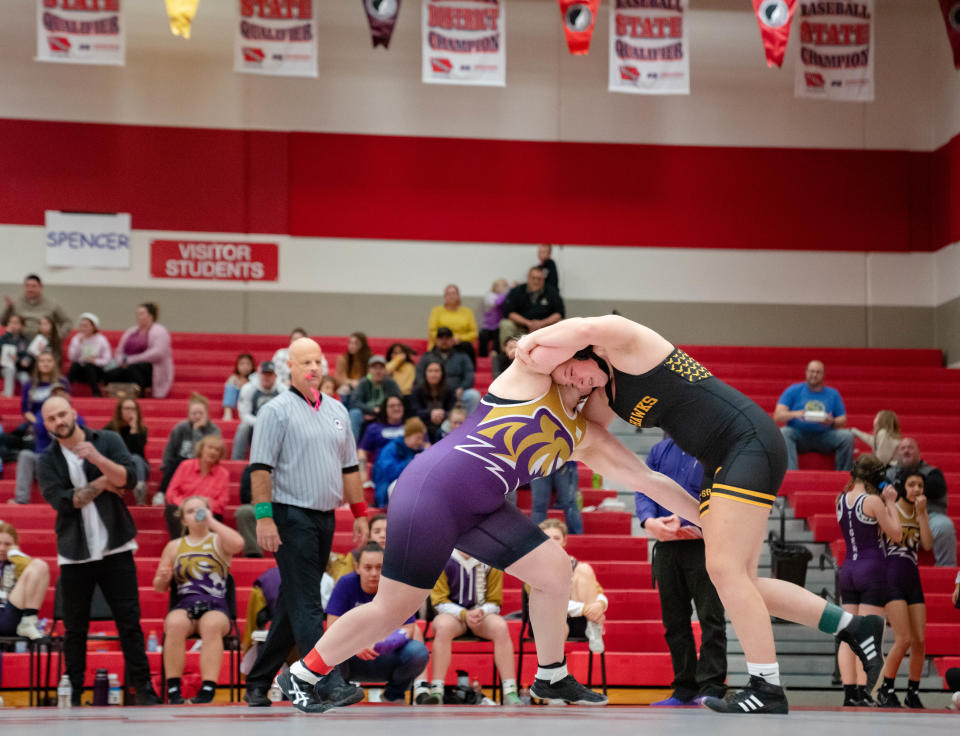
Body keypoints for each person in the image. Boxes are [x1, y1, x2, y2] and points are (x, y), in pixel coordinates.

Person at [272, 322, 698, 714]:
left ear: (610, 385)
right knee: (391, 608)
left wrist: (709, 522)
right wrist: (595, 337)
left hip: (481, 505)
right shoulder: (530, 378)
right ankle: (303, 674)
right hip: (431, 492)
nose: (580, 369)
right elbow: (536, 346)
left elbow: (650, 480)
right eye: (578, 358)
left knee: (553, 570)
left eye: (595, 366)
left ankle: (551, 674)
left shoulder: (585, 437)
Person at [514, 315, 887, 714]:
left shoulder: (625, 343)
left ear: (577, 350)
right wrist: (554, 398)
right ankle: (854, 627)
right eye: (570, 384)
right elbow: (592, 437)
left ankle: (767, 687)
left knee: (724, 572)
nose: (580, 384)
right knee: (739, 582)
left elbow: (586, 329)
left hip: (748, 442)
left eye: (574, 371)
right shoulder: (604, 392)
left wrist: (526, 348)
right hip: (722, 460)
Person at [243, 337, 369, 707]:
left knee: (294, 601)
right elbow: (260, 468)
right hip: (288, 514)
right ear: (290, 368)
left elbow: (349, 467)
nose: (313, 368)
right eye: (305, 363)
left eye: (317, 361)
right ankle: (323, 681)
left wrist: (360, 513)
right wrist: (264, 519)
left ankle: (259, 679)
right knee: (309, 601)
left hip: (325, 516)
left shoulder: (337, 410)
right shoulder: (275, 411)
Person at [36, 395, 161, 705]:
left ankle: (143, 689)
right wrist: (105, 483)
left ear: (74, 413)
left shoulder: (107, 439)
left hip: (116, 545)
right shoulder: (46, 460)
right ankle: (75, 692)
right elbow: (63, 503)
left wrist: (98, 461)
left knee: (129, 621)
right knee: (75, 628)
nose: (58, 422)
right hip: (73, 551)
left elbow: (129, 478)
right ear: (46, 424)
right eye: (51, 418)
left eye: (62, 414)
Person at [635, 437, 727, 706]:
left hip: (704, 545)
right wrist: (649, 520)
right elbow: (643, 489)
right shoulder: (659, 451)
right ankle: (683, 686)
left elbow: (721, 494)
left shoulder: (714, 450)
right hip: (667, 547)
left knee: (711, 618)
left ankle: (711, 685)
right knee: (674, 621)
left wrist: (685, 518)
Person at [153, 495, 245, 704]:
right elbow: (159, 586)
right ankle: (174, 688)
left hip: (216, 604)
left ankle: (208, 687)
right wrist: (163, 578)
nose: (196, 514)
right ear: (183, 520)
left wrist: (211, 522)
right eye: (190, 511)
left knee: (211, 625)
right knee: (174, 624)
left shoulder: (218, 540)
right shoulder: (174, 546)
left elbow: (238, 544)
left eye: (201, 509)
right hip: (185, 603)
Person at [835, 455, 902, 707]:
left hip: (848, 570)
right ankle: (864, 691)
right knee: (869, 635)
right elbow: (895, 534)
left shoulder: (840, 500)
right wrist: (891, 504)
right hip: (872, 569)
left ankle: (849, 692)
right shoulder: (873, 501)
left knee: (848, 634)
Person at [327, 542, 430, 704]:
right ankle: (341, 691)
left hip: (386, 656)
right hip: (351, 659)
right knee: (326, 645)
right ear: (357, 567)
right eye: (368, 568)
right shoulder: (345, 584)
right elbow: (332, 626)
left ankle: (394, 695)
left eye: (379, 567)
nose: (374, 573)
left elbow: (409, 628)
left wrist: (383, 643)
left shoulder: (397, 588)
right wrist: (355, 645)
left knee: (418, 652)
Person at [429, 550, 520, 705]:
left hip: (480, 615)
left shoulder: (491, 559)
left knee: (500, 627)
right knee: (443, 627)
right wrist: (464, 614)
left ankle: (510, 691)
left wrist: (482, 611)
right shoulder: (442, 558)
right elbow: (438, 601)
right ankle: (436, 690)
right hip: (452, 615)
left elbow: (495, 600)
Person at [875, 471, 934, 709]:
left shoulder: (920, 512)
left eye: (920, 485)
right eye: (912, 484)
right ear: (902, 487)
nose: (917, 489)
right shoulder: (891, 509)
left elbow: (928, 546)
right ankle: (885, 688)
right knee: (904, 638)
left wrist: (922, 515)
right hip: (891, 578)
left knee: (920, 640)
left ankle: (913, 691)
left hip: (912, 579)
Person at [538, 519, 607, 654]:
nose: (552, 542)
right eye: (547, 538)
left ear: (564, 541)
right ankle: (554, 672)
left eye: (556, 538)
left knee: (584, 569)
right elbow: (549, 603)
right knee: (559, 626)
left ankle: (593, 626)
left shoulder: (576, 566)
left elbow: (598, 591)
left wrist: (600, 605)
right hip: (544, 619)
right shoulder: (533, 567)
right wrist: (586, 609)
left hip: (576, 618)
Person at [886, 437, 956, 567]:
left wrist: (901, 488)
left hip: (930, 517)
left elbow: (936, 489)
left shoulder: (933, 472)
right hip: (898, 518)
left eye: (910, 447)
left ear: (919, 453)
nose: (906, 451)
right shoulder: (888, 473)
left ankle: (947, 570)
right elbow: (881, 493)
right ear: (897, 454)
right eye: (903, 448)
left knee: (945, 526)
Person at [773, 360, 854, 471]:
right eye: (812, 371)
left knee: (847, 436)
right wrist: (796, 414)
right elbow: (777, 416)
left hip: (825, 436)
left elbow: (843, 420)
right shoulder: (793, 390)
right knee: (784, 432)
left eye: (818, 372)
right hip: (799, 435)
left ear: (823, 375)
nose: (814, 375)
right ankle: (791, 473)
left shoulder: (833, 394)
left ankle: (844, 476)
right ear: (806, 372)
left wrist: (832, 421)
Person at [163, 435, 230, 539]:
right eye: (210, 447)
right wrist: (187, 505)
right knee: (172, 509)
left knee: (211, 515)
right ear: (201, 449)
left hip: (207, 513)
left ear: (220, 454)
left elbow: (222, 502)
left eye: (217, 450)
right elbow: (171, 493)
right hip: (184, 509)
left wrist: (203, 506)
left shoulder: (223, 474)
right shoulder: (185, 466)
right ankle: (181, 544)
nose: (213, 452)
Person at [156, 393, 221, 500]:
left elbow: (202, 453)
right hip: (180, 463)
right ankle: (162, 494)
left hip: (203, 464)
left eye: (200, 413)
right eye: (194, 413)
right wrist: (165, 467)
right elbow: (170, 449)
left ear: (207, 414)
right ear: (189, 414)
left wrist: (197, 431)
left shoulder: (214, 430)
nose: (197, 416)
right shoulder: (181, 428)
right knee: (175, 464)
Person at [104, 302, 174, 398]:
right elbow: (120, 350)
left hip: (149, 368)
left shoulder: (160, 331)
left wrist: (131, 360)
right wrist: (121, 360)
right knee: (111, 371)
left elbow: (158, 353)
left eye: (141, 314)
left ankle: (139, 396)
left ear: (150, 316)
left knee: (135, 368)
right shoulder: (131, 331)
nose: (138, 316)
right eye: (137, 314)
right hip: (127, 364)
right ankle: (118, 396)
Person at [0, 521, 50, 640]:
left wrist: (15, 555)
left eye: (7, 544)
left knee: (40, 565)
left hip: (11, 614)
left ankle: (29, 621)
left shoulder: (20, 563)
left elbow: (36, 574)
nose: (2, 548)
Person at [415, 327, 480, 415]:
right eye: (441, 338)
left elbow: (469, 376)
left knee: (473, 395)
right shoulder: (427, 357)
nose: (444, 341)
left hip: (456, 393)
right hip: (432, 394)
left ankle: (468, 426)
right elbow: (419, 376)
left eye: (447, 338)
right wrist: (428, 389)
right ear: (436, 340)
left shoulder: (462, 356)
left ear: (453, 340)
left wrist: (462, 388)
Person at [498, 266, 564, 350]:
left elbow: (559, 314)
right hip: (521, 328)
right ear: (528, 278)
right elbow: (510, 313)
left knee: (562, 323)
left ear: (543, 279)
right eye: (533, 278)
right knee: (505, 323)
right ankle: (507, 357)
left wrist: (541, 323)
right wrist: (528, 323)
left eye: (539, 279)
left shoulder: (552, 292)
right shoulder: (517, 291)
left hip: (545, 329)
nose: (536, 281)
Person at [231, 361, 286, 460]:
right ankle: (237, 460)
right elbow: (244, 415)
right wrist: (261, 423)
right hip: (254, 426)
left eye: (270, 374)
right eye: (264, 374)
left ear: (275, 376)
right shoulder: (248, 388)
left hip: (275, 426)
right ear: (259, 374)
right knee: (243, 427)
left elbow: (286, 414)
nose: (267, 377)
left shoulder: (283, 390)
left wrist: (272, 424)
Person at [104, 397, 150, 504]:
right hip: (118, 467)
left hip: (139, 467)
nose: (130, 412)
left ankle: (140, 494)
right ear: (120, 410)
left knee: (135, 458)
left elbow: (136, 451)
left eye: (133, 409)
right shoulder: (109, 430)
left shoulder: (142, 430)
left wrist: (133, 429)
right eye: (126, 408)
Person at [372, 418, 427, 508]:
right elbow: (389, 473)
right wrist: (412, 462)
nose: (420, 442)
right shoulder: (391, 449)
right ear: (408, 435)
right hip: (386, 491)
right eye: (418, 438)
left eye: (422, 438)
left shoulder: (420, 451)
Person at [348, 355, 402, 441]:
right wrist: (372, 410)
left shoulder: (391, 383)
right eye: (375, 368)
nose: (378, 371)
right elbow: (354, 402)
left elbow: (399, 400)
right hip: (366, 414)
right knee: (355, 413)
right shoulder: (363, 382)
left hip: (386, 413)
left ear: (385, 370)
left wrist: (380, 411)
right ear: (369, 370)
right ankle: (352, 446)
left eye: (381, 368)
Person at [1, 274, 71, 339]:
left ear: (41, 287)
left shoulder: (52, 304)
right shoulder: (16, 303)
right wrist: (8, 309)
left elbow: (67, 322)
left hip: (43, 343)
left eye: (33, 286)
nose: (30, 289)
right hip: (20, 342)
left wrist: (57, 336)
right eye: (27, 286)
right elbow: (3, 322)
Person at [358, 396, 406, 487]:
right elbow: (362, 451)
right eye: (392, 406)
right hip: (384, 471)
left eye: (399, 405)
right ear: (385, 409)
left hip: (408, 468)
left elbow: (426, 447)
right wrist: (363, 474)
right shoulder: (374, 428)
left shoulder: (411, 426)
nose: (396, 408)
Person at [427, 284, 478, 367]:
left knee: (467, 346)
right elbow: (432, 331)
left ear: (458, 296)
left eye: (454, 293)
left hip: (461, 344)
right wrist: (447, 339)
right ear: (445, 296)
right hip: (441, 343)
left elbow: (474, 333)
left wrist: (459, 338)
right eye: (448, 294)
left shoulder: (467, 312)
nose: (451, 296)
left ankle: (470, 370)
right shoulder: (436, 311)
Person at [530, 459, 582, 536]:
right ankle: (536, 539)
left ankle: (536, 539)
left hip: (544, 461)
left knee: (539, 507)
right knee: (569, 504)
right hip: (542, 462)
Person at [409, 359, 456, 443]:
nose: (433, 374)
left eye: (436, 371)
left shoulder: (450, 390)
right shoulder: (417, 390)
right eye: (430, 371)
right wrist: (431, 413)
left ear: (442, 373)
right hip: (424, 423)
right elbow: (414, 411)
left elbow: (453, 411)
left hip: (445, 424)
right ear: (425, 373)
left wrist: (443, 414)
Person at [66, 313, 111, 397]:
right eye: (81, 325)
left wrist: (95, 361)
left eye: (86, 326)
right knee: (75, 365)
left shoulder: (101, 340)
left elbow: (107, 359)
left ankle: (96, 392)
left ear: (94, 327)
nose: (83, 328)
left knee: (89, 365)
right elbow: (72, 357)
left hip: (95, 371)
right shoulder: (76, 338)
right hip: (80, 369)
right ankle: (64, 389)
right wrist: (79, 344)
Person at [0, 313, 31, 398]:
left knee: (25, 378)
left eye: (16, 323)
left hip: (19, 369)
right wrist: (8, 334)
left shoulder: (25, 340)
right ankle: (8, 398)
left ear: (22, 326)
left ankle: (27, 401)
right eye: (11, 322)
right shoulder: (4, 338)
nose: (13, 325)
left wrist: (24, 360)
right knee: (10, 370)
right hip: (5, 369)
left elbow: (27, 355)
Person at [478, 278, 510, 359]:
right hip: (487, 326)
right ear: (496, 287)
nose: (506, 288)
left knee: (498, 337)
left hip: (498, 326)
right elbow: (496, 303)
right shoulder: (489, 296)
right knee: (483, 336)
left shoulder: (502, 296)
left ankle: (495, 353)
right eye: (504, 286)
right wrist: (507, 293)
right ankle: (483, 356)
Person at [334, 331, 371, 398]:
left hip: (364, 387)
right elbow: (340, 379)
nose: (351, 346)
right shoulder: (343, 359)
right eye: (350, 343)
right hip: (348, 387)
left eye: (356, 343)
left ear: (363, 345)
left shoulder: (369, 359)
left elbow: (370, 376)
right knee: (344, 389)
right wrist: (353, 383)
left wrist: (362, 383)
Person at [221, 353, 255, 421]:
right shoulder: (234, 378)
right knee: (230, 385)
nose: (245, 367)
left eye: (248, 364)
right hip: (238, 401)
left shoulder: (255, 378)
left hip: (250, 403)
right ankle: (228, 412)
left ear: (252, 366)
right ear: (237, 366)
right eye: (242, 364)